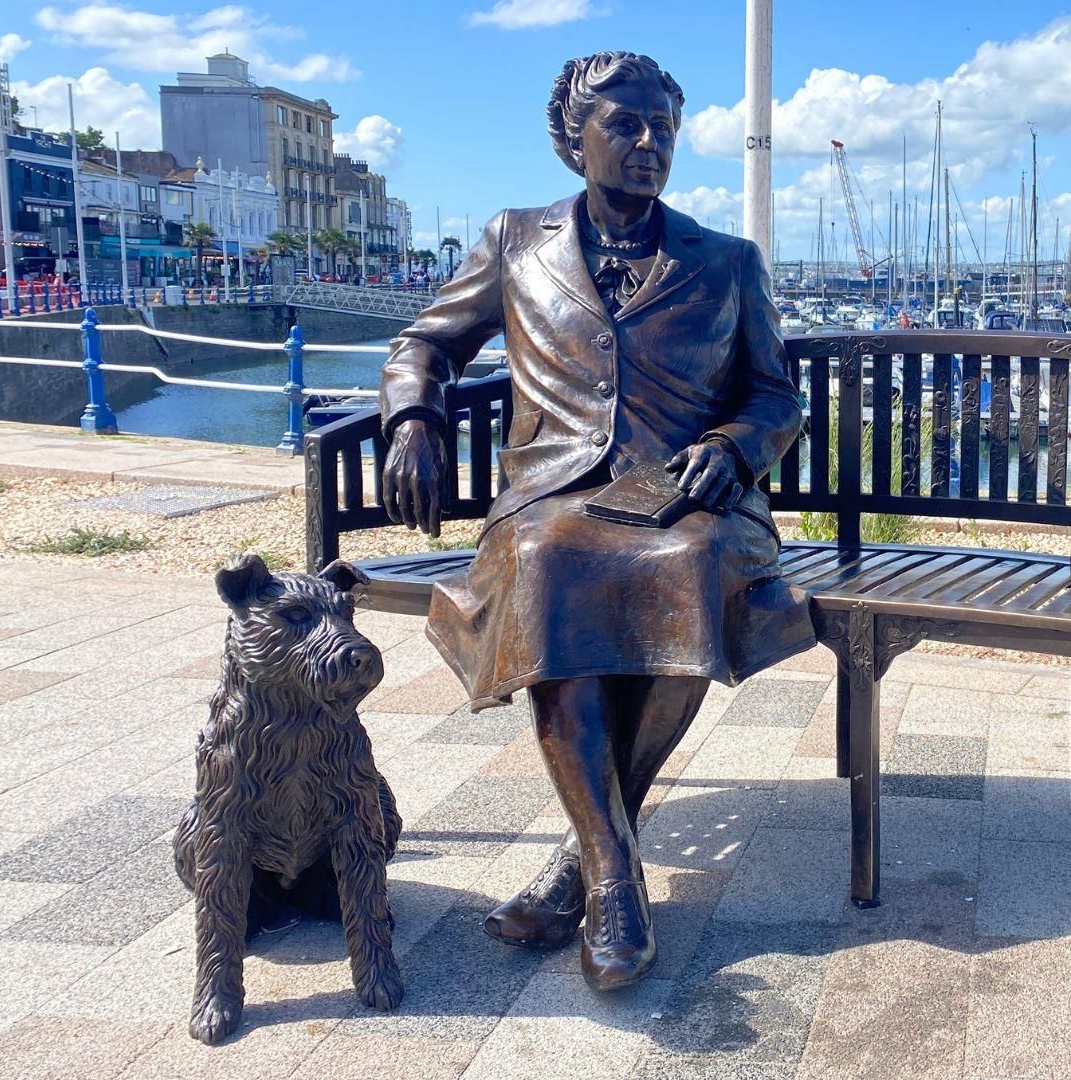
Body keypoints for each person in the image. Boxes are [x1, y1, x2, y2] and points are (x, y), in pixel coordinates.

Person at [377, 50, 815, 990]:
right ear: (574, 139)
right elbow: (426, 339)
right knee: (545, 562)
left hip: (692, 499)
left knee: (688, 567)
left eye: (663, 124)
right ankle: (615, 871)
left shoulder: (726, 262)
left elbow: (777, 398)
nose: (649, 142)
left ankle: (590, 868)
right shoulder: (514, 239)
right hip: (554, 497)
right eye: (625, 123)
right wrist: (412, 414)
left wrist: (735, 449)